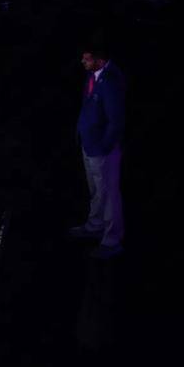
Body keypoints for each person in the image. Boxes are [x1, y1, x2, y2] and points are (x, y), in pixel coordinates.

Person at [68, 46, 126, 259]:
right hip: (89, 144)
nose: (82, 62)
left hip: (101, 149)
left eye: (87, 59)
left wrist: (104, 146)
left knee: (109, 193)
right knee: (97, 189)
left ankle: (112, 240)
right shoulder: (92, 76)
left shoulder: (111, 81)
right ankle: (95, 225)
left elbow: (116, 121)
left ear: (100, 60)